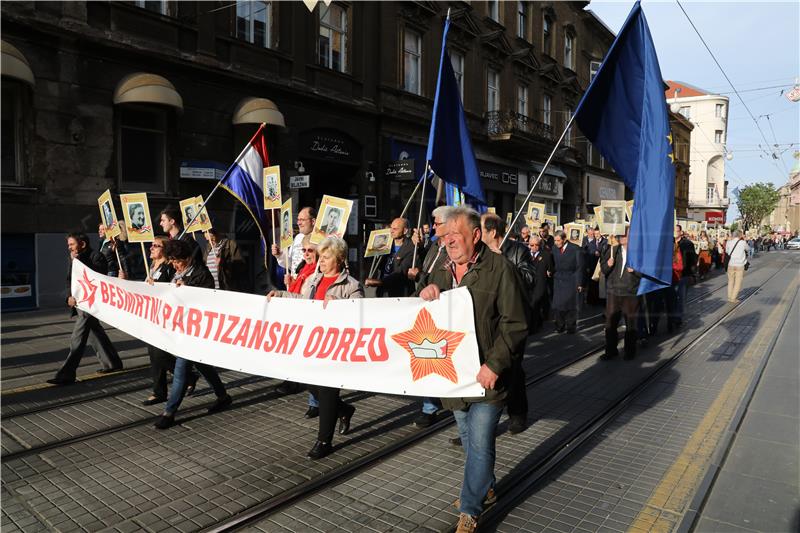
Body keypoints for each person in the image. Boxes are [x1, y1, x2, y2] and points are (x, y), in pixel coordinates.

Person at [417, 207, 528, 533]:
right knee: (468, 439)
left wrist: (494, 365)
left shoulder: (500, 270)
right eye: (445, 235)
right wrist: (426, 293)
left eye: (455, 235)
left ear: (476, 236)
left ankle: (469, 509)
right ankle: (485, 486)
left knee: (480, 443)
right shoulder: (441, 269)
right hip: (454, 377)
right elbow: (424, 313)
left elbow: (515, 323)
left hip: (488, 379)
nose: (447, 240)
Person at [268, 236, 361, 459]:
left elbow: (360, 313)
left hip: (335, 346)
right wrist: (280, 294)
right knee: (309, 383)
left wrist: (341, 305)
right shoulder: (313, 279)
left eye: (326, 257)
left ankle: (324, 440)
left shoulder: (352, 285)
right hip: (311, 342)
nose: (321, 261)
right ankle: (343, 409)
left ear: (338, 259)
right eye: (321, 257)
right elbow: (301, 299)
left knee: (327, 390)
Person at [154, 239, 232, 429]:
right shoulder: (175, 272)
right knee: (202, 364)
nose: (174, 264)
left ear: (188, 258)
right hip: (178, 327)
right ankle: (223, 396)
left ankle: (169, 411)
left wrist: (187, 287)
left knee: (181, 370)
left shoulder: (201, 274)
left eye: (177, 261)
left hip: (195, 331)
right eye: (171, 260)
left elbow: (205, 299)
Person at [481, 213, 535, 435]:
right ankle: (481, 426)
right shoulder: (480, 253)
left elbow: (529, 279)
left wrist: (502, 260)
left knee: (512, 369)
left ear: (493, 232)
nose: (477, 234)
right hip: (489, 319)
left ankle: (517, 414)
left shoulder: (517, 250)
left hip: (512, 318)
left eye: (481, 230)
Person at [47, 233, 123, 385]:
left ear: (82, 244)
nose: (69, 248)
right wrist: (68, 296)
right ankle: (112, 363)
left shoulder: (96, 256)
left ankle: (66, 374)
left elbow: (97, 276)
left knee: (77, 338)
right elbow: (70, 279)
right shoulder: (73, 258)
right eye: (68, 245)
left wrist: (78, 261)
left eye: (72, 244)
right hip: (79, 303)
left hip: (91, 303)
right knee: (95, 333)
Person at [406, 206, 454, 428]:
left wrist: (422, 276)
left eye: (436, 223)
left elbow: (444, 282)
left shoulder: (454, 249)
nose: (433, 226)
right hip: (423, 307)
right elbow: (427, 276)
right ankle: (431, 403)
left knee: (434, 358)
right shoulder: (435, 245)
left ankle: (432, 406)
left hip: (441, 310)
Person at [271, 206, 317, 396]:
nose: (298, 222)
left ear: (313, 221)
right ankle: (294, 380)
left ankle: (306, 385)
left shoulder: (323, 239)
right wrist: (279, 255)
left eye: (302, 220)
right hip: (296, 285)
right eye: (297, 219)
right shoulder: (297, 238)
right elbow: (288, 263)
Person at [600, 229, 641, 360]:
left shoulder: (638, 253)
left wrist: (635, 270)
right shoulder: (613, 250)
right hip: (613, 291)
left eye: (625, 234)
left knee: (630, 323)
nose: (621, 236)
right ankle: (611, 350)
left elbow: (645, 273)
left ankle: (630, 351)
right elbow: (604, 270)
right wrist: (608, 263)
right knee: (610, 323)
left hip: (630, 292)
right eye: (620, 234)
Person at [365, 217, 417, 297]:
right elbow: (377, 265)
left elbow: (401, 272)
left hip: (400, 293)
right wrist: (373, 250)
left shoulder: (411, 247)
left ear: (405, 231)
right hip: (383, 292)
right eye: (391, 228)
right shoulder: (386, 244)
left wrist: (379, 282)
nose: (391, 231)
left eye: (395, 229)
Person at [552, 230, 585, 333]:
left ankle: (570, 326)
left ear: (564, 239)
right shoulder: (554, 249)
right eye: (555, 240)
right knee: (558, 304)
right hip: (558, 279)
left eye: (558, 240)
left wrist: (579, 283)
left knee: (570, 305)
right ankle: (559, 325)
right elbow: (552, 262)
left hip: (571, 279)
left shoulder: (575, 249)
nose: (556, 243)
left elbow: (580, 267)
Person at [528, 235, 554, 332]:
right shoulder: (526, 254)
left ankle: (533, 328)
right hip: (529, 284)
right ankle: (538, 323)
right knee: (532, 305)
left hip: (540, 284)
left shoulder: (546, 255)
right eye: (532, 245)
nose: (534, 247)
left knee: (535, 303)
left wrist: (550, 272)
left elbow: (551, 268)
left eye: (536, 245)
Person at [673, 225, 697, 326]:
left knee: (681, 297)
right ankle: (672, 316)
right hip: (671, 274)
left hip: (684, 274)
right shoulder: (667, 242)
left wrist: (692, 274)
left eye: (676, 231)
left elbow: (693, 260)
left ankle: (678, 317)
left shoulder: (687, 244)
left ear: (680, 232)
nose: (675, 233)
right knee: (672, 296)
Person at [725, 230, 748, 303]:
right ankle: (733, 298)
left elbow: (727, 251)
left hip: (731, 264)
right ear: (740, 235)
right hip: (740, 265)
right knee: (737, 282)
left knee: (730, 281)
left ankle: (729, 297)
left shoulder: (729, 242)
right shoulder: (743, 243)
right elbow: (748, 249)